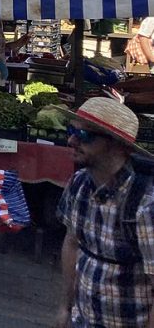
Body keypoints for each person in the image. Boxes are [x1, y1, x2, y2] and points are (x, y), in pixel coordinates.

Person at [55, 97, 154, 328]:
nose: (71, 140)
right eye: (72, 130)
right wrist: (65, 308)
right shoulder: (78, 183)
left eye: (86, 136)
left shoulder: (145, 204)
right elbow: (71, 243)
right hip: (83, 319)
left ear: (118, 146)